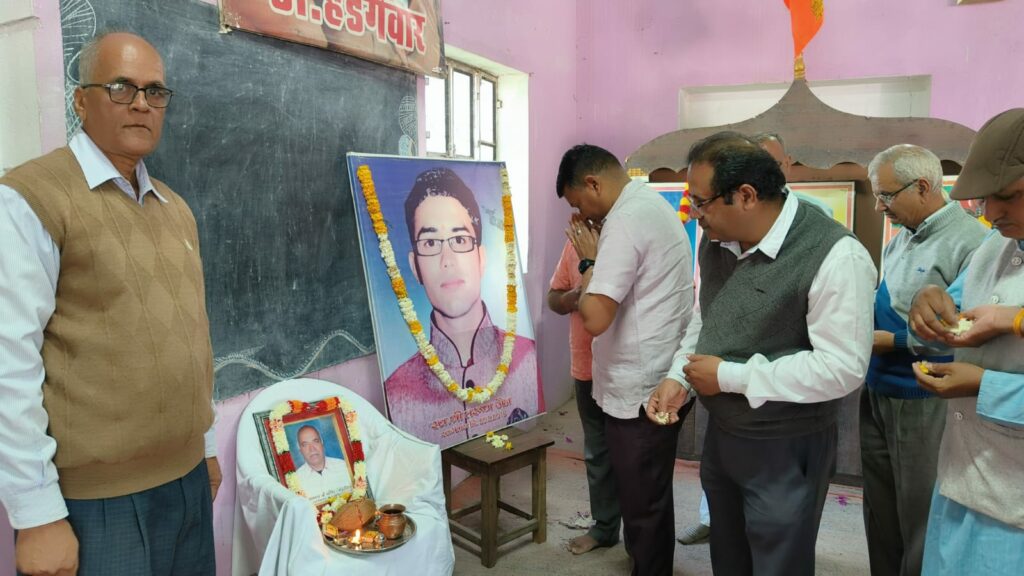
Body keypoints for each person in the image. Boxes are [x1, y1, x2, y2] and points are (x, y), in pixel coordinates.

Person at [0, 32, 219, 576]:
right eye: (121, 87)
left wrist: (206, 445)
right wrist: (36, 514)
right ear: (81, 100)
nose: (141, 104)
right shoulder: (30, 199)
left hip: (188, 482)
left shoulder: (175, 208)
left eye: (155, 91)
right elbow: (8, 361)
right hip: (95, 504)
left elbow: (191, 338)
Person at [648, 132, 876, 576]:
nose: (695, 213)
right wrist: (679, 376)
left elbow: (842, 368)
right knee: (729, 554)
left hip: (786, 443)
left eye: (701, 202)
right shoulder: (717, 239)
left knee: (778, 561)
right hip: (725, 433)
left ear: (746, 196)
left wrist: (729, 377)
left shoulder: (835, 254)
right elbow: (707, 314)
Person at [557, 144, 694, 576]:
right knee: (646, 494)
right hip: (655, 375)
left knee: (643, 501)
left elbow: (595, 318)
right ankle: (644, 558)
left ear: (593, 183)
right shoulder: (647, 206)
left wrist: (588, 260)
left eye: (578, 203)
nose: (581, 216)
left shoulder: (625, 220)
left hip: (641, 389)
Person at [860, 144, 987, 576]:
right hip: (877, 389)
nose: (879, 207)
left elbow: (966, 331)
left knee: (919, 517)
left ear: (922, 186)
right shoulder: (901, 239)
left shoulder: (974, 243)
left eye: (886, 195)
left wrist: (894, 342)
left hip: (924, 396)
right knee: (879, 512)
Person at [907, 108, 1024, 575]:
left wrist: (983, 385)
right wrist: (928, 303)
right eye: (986, 198)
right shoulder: (995, 246)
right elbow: (951, 307)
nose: (992, 213)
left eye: (1009, 196)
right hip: (962, 474)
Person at [384, 167, 540, 445]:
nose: (448, 260)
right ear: (415, 266)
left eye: (459, 239)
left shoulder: (526, 357)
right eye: (430, 242)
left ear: (481, 258)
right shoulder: (397, 393)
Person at [548, 236, 621, 555]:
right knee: (597, 451)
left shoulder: (630, 235)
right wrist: (573, 298)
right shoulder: (574, 242)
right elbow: (553, 297)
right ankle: (605, 528)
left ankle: (643, 538)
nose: (577, 216)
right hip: (585, 367)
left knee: (633, 454)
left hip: (626, 369)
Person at [752, 132, 833, 217]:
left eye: (775, 165)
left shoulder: (818, 212)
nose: (767, 173)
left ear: (787, 164)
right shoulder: (742, 212)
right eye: (759, 167)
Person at [292, 424, 350, 500]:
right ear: (300, 450)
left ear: (322, 443)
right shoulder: (296, 481)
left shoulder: (344, 466)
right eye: (305, 444)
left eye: (315, 441)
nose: (312, 449)